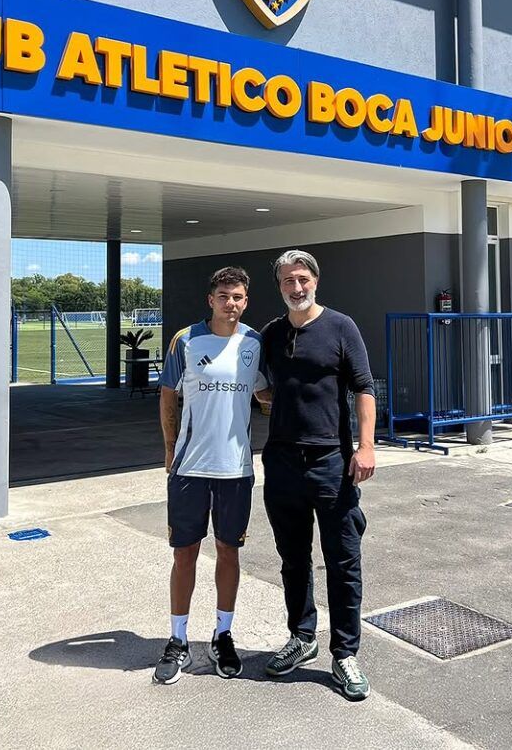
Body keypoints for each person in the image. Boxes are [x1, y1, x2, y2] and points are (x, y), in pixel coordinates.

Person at [258, 249, 376, 701]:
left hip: (333, 463)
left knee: (343, 561)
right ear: (281, 286)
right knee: (293, 559)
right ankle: (302, 635)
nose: (296, 287)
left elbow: (364, 387)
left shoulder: (341, 327)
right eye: (288, 280)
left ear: (315, 281)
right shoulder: (271, 333)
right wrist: (274, 402)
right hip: (283, 462)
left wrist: (366, 447)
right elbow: (257, 381)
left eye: (302, 278)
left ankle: (345, 653)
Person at [152, 266, 267, 685]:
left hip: (235, 469)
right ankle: (178, 639)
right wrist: (169, 450)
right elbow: (168, 395)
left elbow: (264, 393)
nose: (231, 303)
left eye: (238, 296)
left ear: (246, 300)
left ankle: (223, 635)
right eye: (223, 296)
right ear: (211, 299)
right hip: (189, 468)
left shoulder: (254, 342)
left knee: (228, 552)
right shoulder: (186, 340)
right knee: (185, 554)